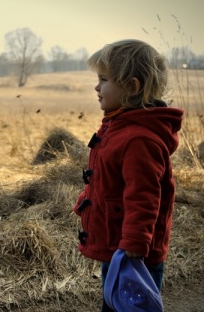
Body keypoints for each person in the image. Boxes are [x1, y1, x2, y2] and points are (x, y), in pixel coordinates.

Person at [73, 39, 183, 311]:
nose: (97, 87)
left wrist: (134, 242)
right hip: (116, 242)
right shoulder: (118, 127)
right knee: (113, 303)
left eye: (104, 79)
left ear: (132, 87)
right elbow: (109, 179)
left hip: (134, 254)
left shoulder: (139, 139)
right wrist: (89, 199)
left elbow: (144, 197)